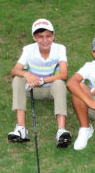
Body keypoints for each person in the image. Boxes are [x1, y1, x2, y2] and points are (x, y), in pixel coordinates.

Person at [7, 19, 72, 148]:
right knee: (17, 79)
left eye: (48, 36)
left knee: (59, 83)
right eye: (40, 37)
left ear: (53, 36)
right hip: (32, 90)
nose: (45, 40)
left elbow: (64, 74)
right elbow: (14, 70)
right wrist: (27, 74)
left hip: (51, 89)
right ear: (34, 38)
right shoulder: (28, 49)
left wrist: (42, 80)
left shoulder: (60, 49)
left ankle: (61, 130)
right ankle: (21, 129)